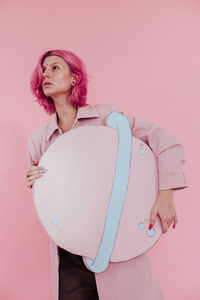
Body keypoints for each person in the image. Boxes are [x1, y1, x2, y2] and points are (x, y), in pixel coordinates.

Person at [26, 49, 188, 300]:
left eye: (55, 67)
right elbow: (50, 200)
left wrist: (166, 195)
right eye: (43, 69)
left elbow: (167, 143)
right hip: (69, 254)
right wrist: (37, 183)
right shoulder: (39, 140)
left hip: (116, 242)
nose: (46, 73)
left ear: (74, 78)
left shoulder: (108, 119)